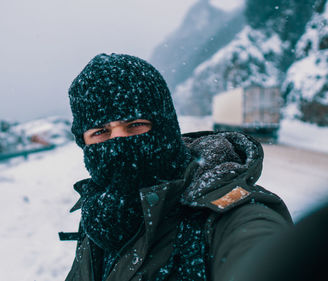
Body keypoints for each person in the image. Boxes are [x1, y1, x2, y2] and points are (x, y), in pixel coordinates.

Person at [60, 53, 293, 281]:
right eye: (101, 132)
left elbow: (258, 250)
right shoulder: (99, 214)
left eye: (136, 125)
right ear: (84, 142)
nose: (119, 142)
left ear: (166, 128)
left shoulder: (228, 216)